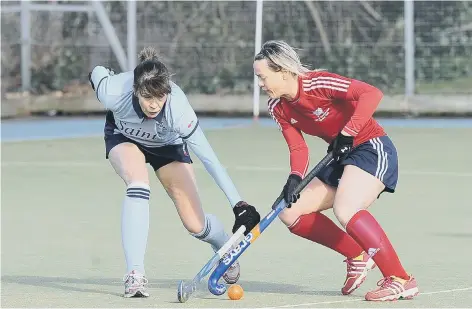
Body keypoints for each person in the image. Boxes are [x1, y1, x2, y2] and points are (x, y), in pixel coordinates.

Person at [88, 47, 260, 298]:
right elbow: (97, 72)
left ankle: (222, 244)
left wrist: (238, 203)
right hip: (124, 137)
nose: (154, 104)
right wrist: (106, 77)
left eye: (160, 97)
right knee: (138, 183)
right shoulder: (114, 92)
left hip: (168, 146)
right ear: (136, 90)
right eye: (147, 97)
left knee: (195, 224)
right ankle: (135, 274)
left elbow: (209, 158)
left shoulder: (178, 109)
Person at [253, 40, 418, 301]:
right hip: (339, 155)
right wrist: (294, 178)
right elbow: (298, 147)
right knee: (289, 211)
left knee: (346, 208)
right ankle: (357, 255)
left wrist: (348, 132)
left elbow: (371, 94)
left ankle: (400, 279)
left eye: (262, 77)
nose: (260, 84)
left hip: (370, 147)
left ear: (283, 72)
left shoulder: (318, 84)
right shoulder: (278, 107)